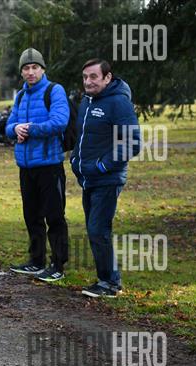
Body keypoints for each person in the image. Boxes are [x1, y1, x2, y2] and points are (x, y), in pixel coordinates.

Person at [72, 59, 141, 298]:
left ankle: (110, 283)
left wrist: (102, 165)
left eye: (93, 76)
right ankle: (106, 279)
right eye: (85, 77)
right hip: (88, 178)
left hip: (107, 179)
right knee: (95, 230)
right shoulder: (87, 101)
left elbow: (132, 142)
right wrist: (75, 161)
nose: (88, 82)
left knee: (98, 229)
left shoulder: (119, 102)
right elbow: (82, 138)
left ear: (107, 77)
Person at [4, 48, 70, 283]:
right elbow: (8, 126)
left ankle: (58, 265)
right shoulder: (21, 95)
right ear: (21, 72)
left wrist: (30, 129)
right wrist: (15, 128)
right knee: (31, 215)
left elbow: (60, 122)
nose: (30, 72)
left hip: (50, 166)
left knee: (54, 216)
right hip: (26, 166)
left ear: (42, 69)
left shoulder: (55, 90)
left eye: (35, 67)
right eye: (26, 68)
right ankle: (36, 261)